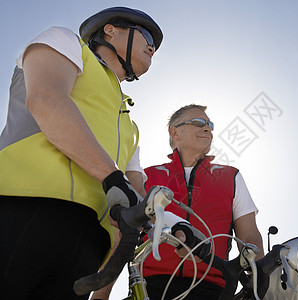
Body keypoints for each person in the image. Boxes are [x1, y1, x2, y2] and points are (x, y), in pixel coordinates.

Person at [0, 7, 163, 300]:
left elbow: (137, 193)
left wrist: (177, 229)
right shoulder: (67, 43)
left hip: (89, 245)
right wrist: (112, 176)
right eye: (147, 35)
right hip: (21, 209)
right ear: (110, 30)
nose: (153, 46)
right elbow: (46, 99)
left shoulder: (129, 123)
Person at [142, 104, 264, 299]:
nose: (208, 129)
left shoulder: (231, 176)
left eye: (210, 125)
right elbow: (124, 232)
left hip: (213, 287)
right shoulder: (147, 176)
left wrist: (262, 283)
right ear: (175, 133)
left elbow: (249, 236)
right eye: (199, 123)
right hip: (151, 285)